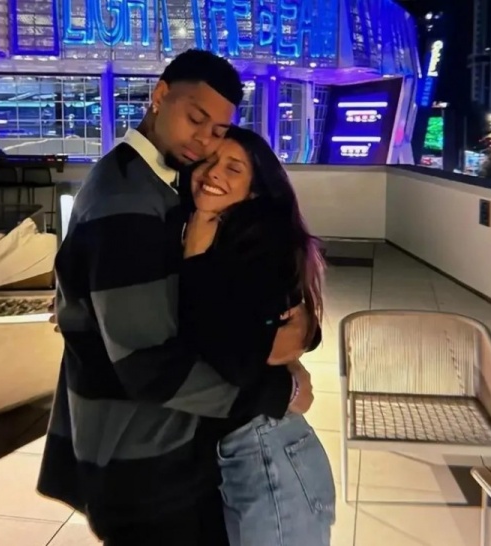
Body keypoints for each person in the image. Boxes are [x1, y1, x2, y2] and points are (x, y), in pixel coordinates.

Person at [37, 49, 314, 546]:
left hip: (158, 452)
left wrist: (299, 326)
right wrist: (277, 392)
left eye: (217, 131)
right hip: (144, 464)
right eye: (195, 118)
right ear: (160, 95)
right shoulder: (127, 200)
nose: (203, 141)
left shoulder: (161, 187)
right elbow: (149, 367)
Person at [179, 126, 336, 546]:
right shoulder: (211, 233)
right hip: (245, 450)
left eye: (233, 168)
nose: (214, 172)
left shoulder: (260, 245)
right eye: (210, 161)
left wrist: (195, 260)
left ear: (254, 191)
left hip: (267, 451)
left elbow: (236, 361)